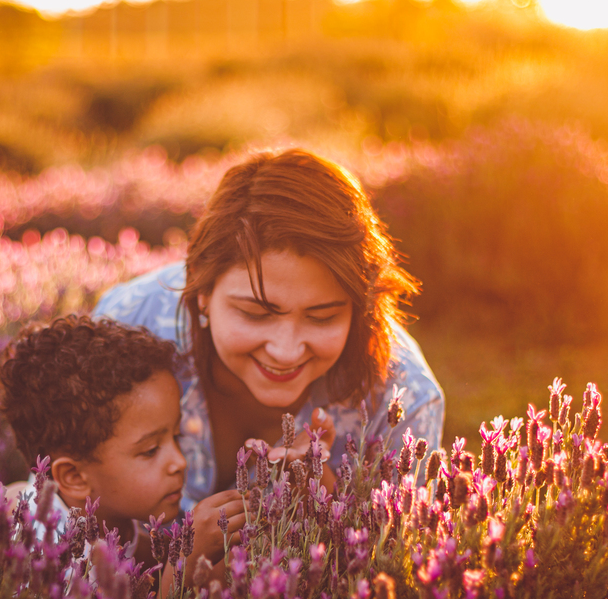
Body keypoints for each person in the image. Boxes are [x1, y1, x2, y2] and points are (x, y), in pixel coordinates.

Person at [95, 148, 444, 511]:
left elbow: (402, 550)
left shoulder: (405, 398)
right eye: (255, 313)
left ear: (360, 309)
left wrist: (333, 511)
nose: (286, 350)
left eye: (322, 317)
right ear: (202, 292)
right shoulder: (130, 320)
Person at [0, 314, 245, 580]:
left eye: (177, 436)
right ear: (74, 477)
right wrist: (184, 563)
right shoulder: (51, 554)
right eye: (150, 450)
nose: (179, 462)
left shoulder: (104, 509)